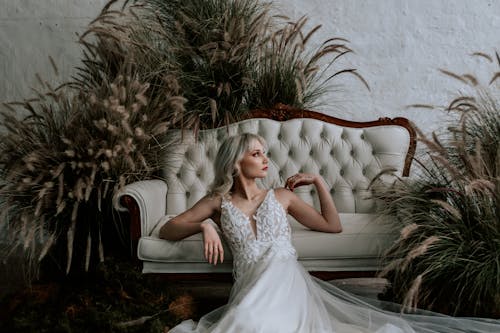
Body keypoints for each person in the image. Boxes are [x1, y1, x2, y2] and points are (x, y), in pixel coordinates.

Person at [160, 133, 499, 333]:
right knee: (246, 319)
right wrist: (205, 224)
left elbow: (331, 225)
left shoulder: (281, 196)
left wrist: (319, 182)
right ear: (236, 163)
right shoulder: (218, 203)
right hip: (250, 282)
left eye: (265, 153)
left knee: (250, 322)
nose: (265, 159)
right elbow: (169, 229)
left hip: (284, 280)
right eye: (257, 153)